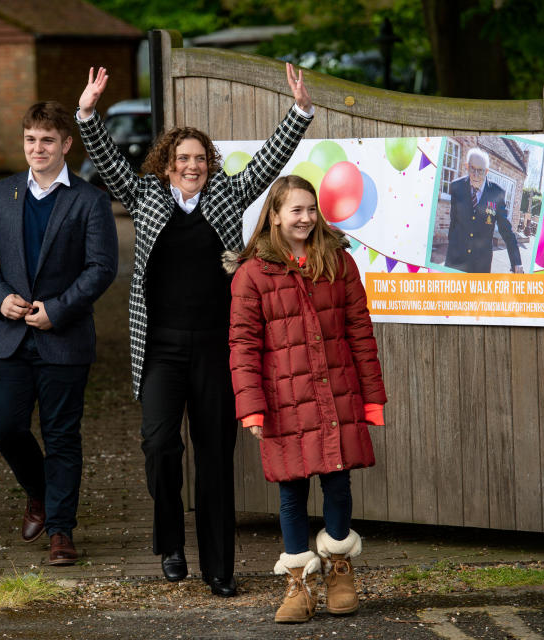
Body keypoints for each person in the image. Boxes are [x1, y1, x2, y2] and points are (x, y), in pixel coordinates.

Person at [76, 64, 313, 597]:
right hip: (159, 348)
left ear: (209, 165)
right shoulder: (146, 197)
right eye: (182, 158)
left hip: (214, 349)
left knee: (213, 457)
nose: (191, 166)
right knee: (160, 446)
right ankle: (172, 545)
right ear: (167, 163)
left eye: (199, 159)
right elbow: (110, 163)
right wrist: (87, 113)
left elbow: (268, 162)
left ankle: (219, 568)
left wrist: (298, 113)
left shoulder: (228, 195)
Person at [226, 175, 386, 623]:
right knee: (291, 493)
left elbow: (360, 333)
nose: (306, 218)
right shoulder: (252, 274)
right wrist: (251, 405)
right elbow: (242, 344)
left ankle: (339, 569)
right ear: (274, 216)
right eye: (295, 210)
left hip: (336, 397)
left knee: (338, 484)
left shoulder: (338, 263)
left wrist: (372, 398)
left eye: (311, 209)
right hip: (283, 402)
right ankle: (297, 582)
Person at [0, 101, 118, 566]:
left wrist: (59, 309)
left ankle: (60, 532)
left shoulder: (89, 200)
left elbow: (102, 268)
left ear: (66, 145)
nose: (38, 148)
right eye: (31, 139)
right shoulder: (0, 194)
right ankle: (38, 491)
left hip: (63, 337)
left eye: (48, 140)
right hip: (8, 334)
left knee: (62, 436)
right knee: (4, 424)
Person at [444, 148, 523, 273]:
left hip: (481, 264)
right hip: (455, 260)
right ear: (466, 166)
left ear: (486, 171)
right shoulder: (456, 186)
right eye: (472, 168)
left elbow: (506, 230)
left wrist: (516, 262)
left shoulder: (497, 193)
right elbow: (454, 221)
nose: (475, 175)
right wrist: (451, 247)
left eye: (480, 171)